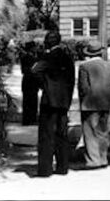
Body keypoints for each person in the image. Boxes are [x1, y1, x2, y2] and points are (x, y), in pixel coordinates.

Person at [32, 29, 75, 177]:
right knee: (62, 135)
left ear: (47, 42)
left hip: (49, 101)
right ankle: (63, 167)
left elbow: (35, 71)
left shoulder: (48, 57)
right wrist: (67, 98)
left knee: (46, 135)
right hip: (63, 101)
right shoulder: (68, 58)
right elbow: (71, 81)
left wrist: (44, 85)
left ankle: (45, 169)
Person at [77, 40, 110, 169]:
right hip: (106, 102)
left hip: (90, 103)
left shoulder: (84, 67)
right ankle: (103, 158)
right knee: (103, 132)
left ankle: (93, 160)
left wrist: (83, 100)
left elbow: (83, 87)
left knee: (90, 132)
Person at [20, 40, 41, 126]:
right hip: (29, 81)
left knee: (33, 101)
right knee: (27, 101)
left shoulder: (34, 57)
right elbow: (25, 70)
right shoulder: (26, 57)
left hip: (33, 82)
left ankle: (32, 118)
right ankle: (27, 119)